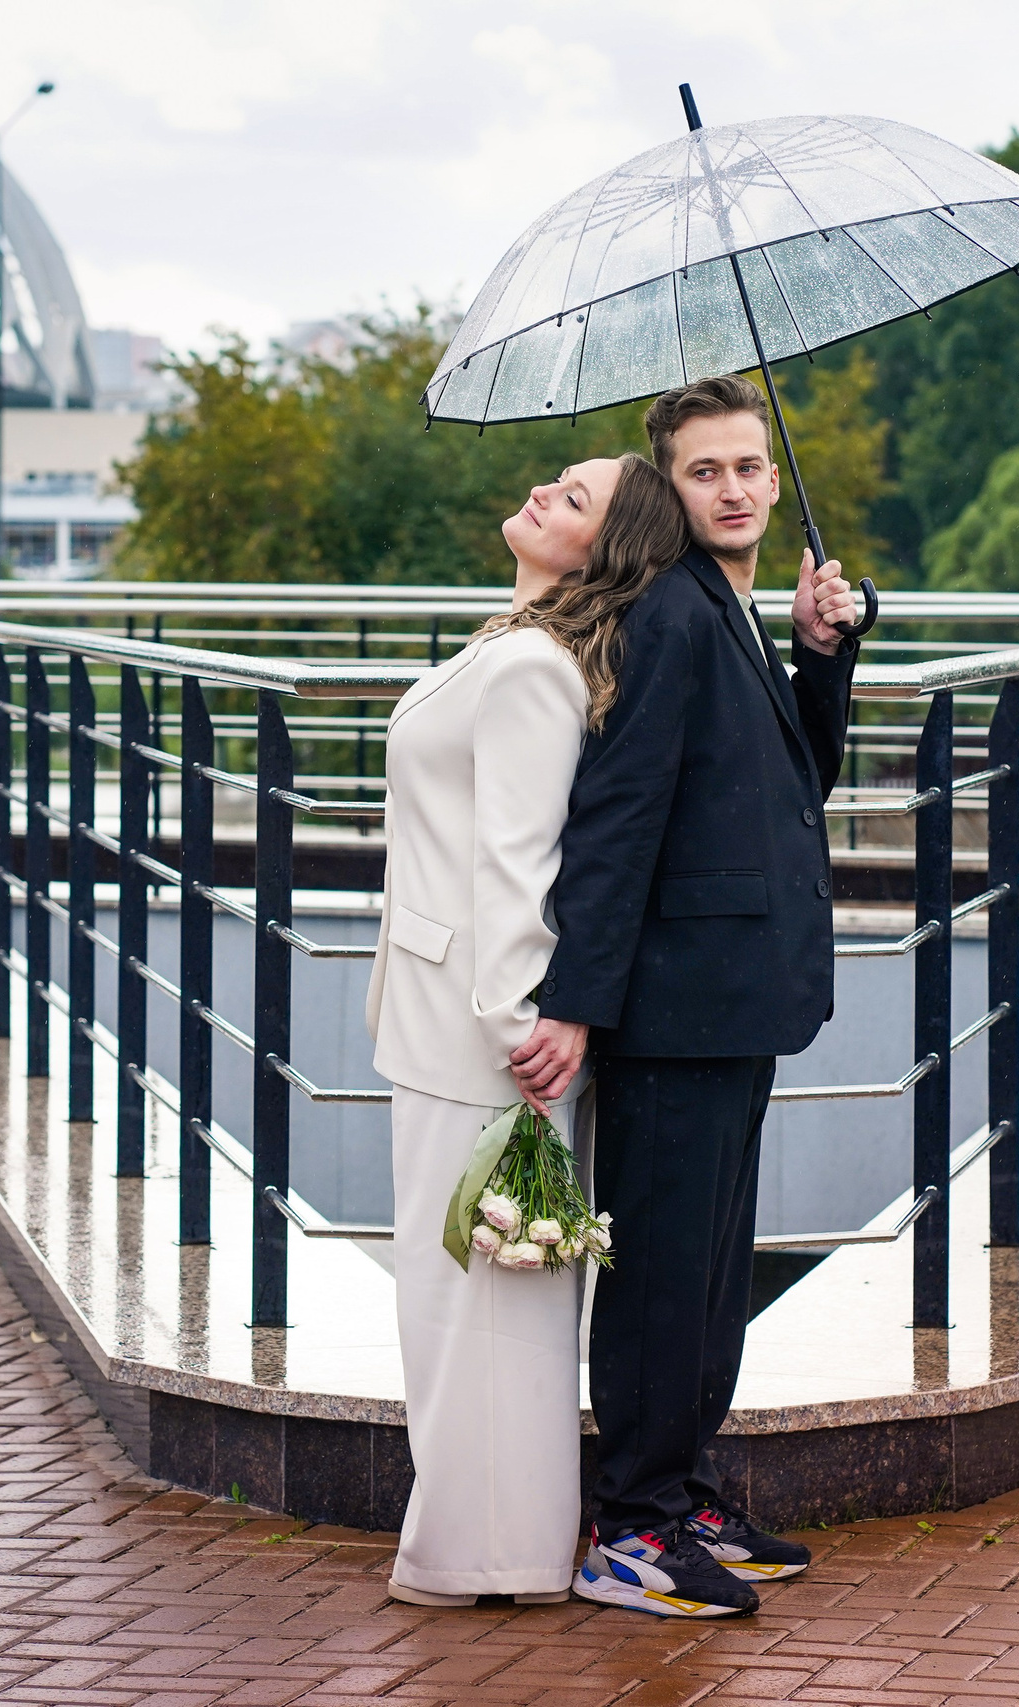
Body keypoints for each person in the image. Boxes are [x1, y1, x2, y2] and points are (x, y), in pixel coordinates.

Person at [510, 374, 864, 1619]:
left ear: (774, 479)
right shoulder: (667, 612)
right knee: (664, 1277)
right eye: (703, 471)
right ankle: (635, 1529)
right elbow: (619, 815)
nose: (731, 489)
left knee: (713, 1272)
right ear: (671, 488)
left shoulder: (733, 605)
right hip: (670, 1003)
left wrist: (824, 656)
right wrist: (575, 1001)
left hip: (737, 999)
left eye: (746, 468)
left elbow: (794, 779)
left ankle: (689, 1490)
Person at [366, 451, 692, 1607]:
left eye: (578, 495)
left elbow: (519, 870)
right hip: (438, 1024)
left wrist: (524, 1039)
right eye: (558, 476)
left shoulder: (532, 675)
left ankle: (484, 1557)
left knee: (483, 1309)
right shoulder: (509, 643)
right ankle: (480, 1542)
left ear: (603, 551)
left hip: (481, 1044)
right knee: (456, 1304)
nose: (548, 488)